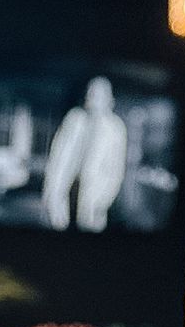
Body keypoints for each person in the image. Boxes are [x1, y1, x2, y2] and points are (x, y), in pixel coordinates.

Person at [41, 76, 129, 231]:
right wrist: (52, 193)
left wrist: (101, 201)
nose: (93, 98)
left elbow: (116, 171)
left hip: (93, 200)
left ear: (109, 99)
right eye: (91, 93)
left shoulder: (116, 128)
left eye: (99, 95)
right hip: (66, 193)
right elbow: (58, 158)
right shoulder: (74, 118)